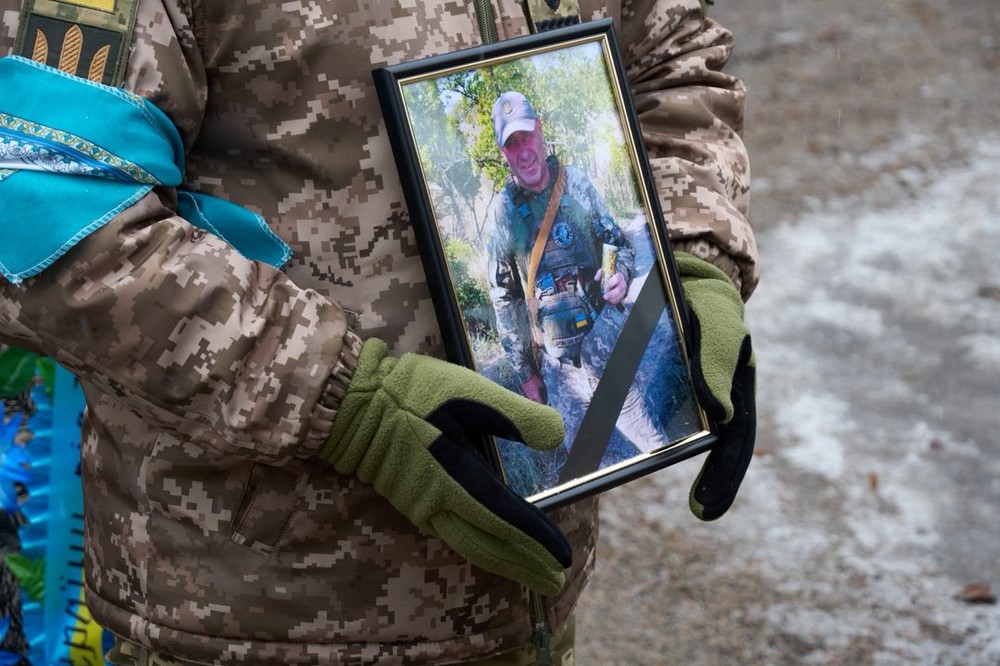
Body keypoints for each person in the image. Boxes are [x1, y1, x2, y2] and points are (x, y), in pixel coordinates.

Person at [0, 0, 758, 664]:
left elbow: (672, 59)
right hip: (255, 616)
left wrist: (691, 256)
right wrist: (349, 405)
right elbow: (37, 202)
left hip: (526, 595)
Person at [486, 90, 665, 454]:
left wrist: (620, 276)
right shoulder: (501, 214)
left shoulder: (577, 184)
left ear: (539, 129)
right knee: (581, 463)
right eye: (512, 144)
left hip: (605, 344)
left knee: (653, 442)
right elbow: (504, 300)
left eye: (526, 136)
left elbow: (616, 242)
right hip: (557, 368)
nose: (523, 151)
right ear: (503, 152)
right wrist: (527, 375)